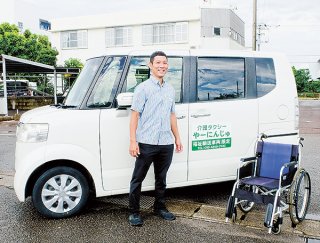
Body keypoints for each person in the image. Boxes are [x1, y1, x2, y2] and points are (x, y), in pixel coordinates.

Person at [128, 51, 183, 226]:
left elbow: (172, 115)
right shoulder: (142, 88)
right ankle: (134, 212)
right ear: (151, 65)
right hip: (146, 142)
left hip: (166, 142)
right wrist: (132, 141)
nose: (162, 66)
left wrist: (177, 138)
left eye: (165, 63)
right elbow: (135, 115)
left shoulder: (170, 89)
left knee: (161, 178)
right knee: (138, 178)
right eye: (158, 62)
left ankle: (159, 208)